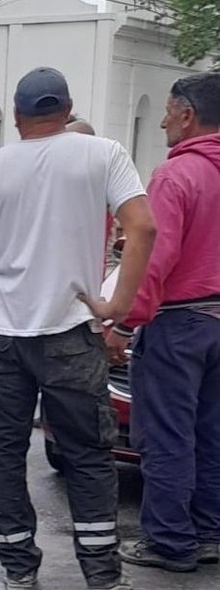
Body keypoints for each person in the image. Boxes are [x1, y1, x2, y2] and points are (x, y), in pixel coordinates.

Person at [0, 67, 156, 590]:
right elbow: (143, 226)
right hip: (71, 330)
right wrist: (119, 303)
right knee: (87, 454)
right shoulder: (103, 154)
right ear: (66, 110)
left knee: (3, 451)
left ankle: (19, 569)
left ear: (17, 116)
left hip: (1, 335)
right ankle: (102, 576)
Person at [107, 72, 220, 573]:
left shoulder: (176, 175)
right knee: (211, 433)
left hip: (179, 324)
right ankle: (210, 531)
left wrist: (125, 323)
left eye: (168, 112)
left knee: (167, 435)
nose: (162, 123)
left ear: (187, 115)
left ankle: (169, 542)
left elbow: (154, 257)